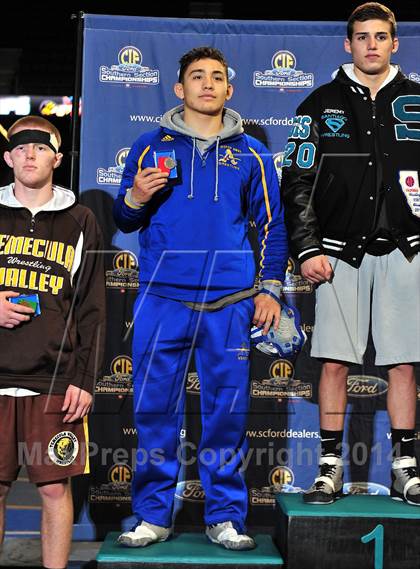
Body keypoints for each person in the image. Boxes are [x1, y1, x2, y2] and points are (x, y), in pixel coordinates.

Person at [114, 46, 288, 549]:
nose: (207, 84)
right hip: (161, 299)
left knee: (226, 415)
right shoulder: (149, 146)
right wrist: (136, 197)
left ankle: (225, 517)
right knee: (152, 412)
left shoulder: (253, 152)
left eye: (217, 77)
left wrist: (270, 290)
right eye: (197, 76)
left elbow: (272, 230)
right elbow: (125, 220)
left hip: (229, 303)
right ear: (179, 88)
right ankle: (153, 515)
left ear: (230, 90)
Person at [282, 2, 420, 506]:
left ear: (394, 43)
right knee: (335, 363)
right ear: (348, 43)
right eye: (362, 37)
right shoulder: (317, 104)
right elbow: (296, 181)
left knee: (404, 364)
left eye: (380, 37)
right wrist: (306, 248)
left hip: (408, 252)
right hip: (340, 253)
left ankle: (405, 468)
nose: (371, 45)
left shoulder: (418, 101)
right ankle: (329, 468)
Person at [0, 116, 105, 569]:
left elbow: (93, 309)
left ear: (57, 159)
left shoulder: (80, 220)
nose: (29, 154)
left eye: (40, 148)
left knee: (53, 488)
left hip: (56, 381)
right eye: (20, 147)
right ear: (8, 157)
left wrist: (84, 378)